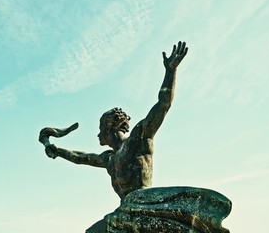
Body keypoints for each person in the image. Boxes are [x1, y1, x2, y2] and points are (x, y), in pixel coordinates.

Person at [44, 41, 188, 200]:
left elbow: (163, 105)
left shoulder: (138, 139)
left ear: (109, 127)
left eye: (100, 129)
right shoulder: (109, 158)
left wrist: (171, 71)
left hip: (145, 205)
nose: (98, 135)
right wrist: (57, 150)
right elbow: (80, 157)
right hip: (125, 211)